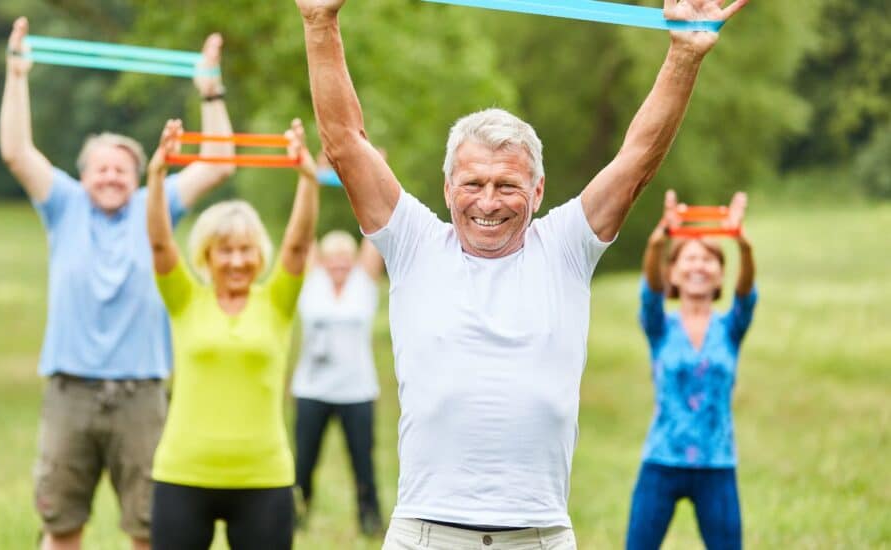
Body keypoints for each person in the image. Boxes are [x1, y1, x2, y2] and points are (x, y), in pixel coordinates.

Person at [293, 0, 750, 547]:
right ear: (447, 189)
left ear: (536, 191)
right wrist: (319, 22)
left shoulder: (565, 247)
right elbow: (345, 144)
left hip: (539, 535)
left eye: (507, 185)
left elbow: (637, 162)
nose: (488, 201)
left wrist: (683, 57)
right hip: (426, 532)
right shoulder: (414, 242)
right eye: (473, 183)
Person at [0, 17, 235, 550]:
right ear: (82, 177)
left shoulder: (157, 207)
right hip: (69, 393)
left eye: (121, 170)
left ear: (139, 177)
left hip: (141, 395)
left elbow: (219, 162)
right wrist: (16, 75)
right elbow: (16, 152)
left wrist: (210, 89)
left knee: (149, 532)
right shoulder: (63, 205)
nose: (110, 178)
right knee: (61, 529)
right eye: (101, 170)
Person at [145, 118, 319, 550]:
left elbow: (297, 246)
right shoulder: (185, 298)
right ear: (207, 254)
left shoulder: (277, 300)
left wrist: (307, 180)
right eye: (226, 250)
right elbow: (160, 246)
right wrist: (156, 175)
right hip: (183, 473)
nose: (237, 260)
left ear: (259, 254)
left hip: (264, 477)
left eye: (246, 249)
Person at [626, 190, 757, 550]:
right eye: (689, 258)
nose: (699, 265)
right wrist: (660, 239)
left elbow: (747, 294)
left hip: (717, 463)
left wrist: (742, 246)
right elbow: (649, 292)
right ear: (673, 274)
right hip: (661, 460)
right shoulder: (659, 326)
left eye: (709, 260)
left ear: (720, 277)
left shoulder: (730, 328)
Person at [291, 231, 385, 535]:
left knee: (363, 463)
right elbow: (302, 235)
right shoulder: (311, 281)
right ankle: (295, 518)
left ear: (354, 260)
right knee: (304, 461)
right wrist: (311, 183)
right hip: (311, 391)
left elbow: (375, 228)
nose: (339, 266)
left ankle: (370, 523)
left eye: (345, 259)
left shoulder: (364, 283)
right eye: (333, 259)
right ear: (322, 261)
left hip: (356, 392)